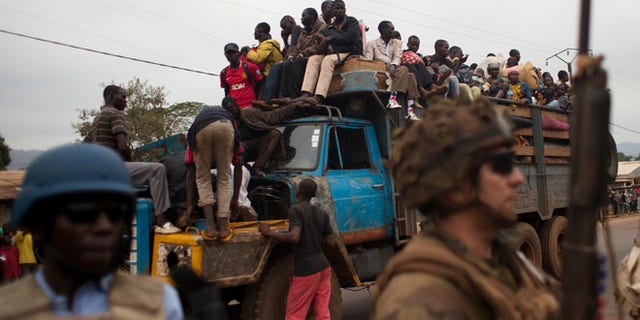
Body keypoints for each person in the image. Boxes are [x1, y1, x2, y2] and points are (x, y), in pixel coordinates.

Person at [372, 97, 559, 319]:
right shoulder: (417, 302)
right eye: (502, 165)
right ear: (453, 187)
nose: (518, 178)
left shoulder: (502, 257)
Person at [0, 143, 183, 319]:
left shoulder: (159, 302)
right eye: (83, 212)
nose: (104, 226)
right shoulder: (8, 310)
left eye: (115, 213)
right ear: (39, 225)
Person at [87, 85, 181, 234]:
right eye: (123, 97)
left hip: (99, 170)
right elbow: (123, 146)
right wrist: (127, 163)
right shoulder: (115, 114)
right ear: (111, 97)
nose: (126, 101)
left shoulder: (98, 117)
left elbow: (87, 144)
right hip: (113, 168)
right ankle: (162, 220)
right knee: (157, 169)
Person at [258, 178, 337, 320]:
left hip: (307, 269)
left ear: (297, 192)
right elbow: (331, 241)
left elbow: (295, 237)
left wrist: (269, 233)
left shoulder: (295, 210)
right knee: (322, 314)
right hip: (324, 267)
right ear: (313, 195)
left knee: (294, 315)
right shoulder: (322, 213)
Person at [186, 97, 243, 240]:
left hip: (201, 129)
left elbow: (191, 168)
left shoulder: (198, 120)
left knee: (203, 177)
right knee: (224, 177)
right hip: (225, 127)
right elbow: (238, 164)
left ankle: (210, 228)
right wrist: (235, 199)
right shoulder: (231, 121)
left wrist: (189, 204)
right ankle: (224, 228)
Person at [298, 0, 362, 105]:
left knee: (328, 60)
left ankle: (319, 96)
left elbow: (350, 38)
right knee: (313, 59)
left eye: (342, 8)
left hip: (348, 51)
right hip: (333, 52)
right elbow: (320, 35)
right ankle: (306, 93)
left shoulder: (352, 21)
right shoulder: (331, 26)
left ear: (345, 9)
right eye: (337, 9)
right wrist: (323, 37)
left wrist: (330, 38)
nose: (340, 11)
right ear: (333, 11)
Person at [364, 20, 422, 113]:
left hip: (395, 68)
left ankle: (410, 111)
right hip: (381, 68)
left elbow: (398, 57)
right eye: (391, 29)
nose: (393, 31)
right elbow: (368, 59)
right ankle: (392, 99)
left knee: (410, 75)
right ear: (384, 30)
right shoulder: (372, 43)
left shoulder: (397, 43)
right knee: (405, 69)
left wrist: (393, 65)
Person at [279, 7, 327, 99]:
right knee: (288, 63)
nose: (301, 19)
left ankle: (295, 95)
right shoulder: (304, 31)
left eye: (304, 16)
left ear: (312, 16)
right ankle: (285, 96)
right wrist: (291, 56)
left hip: (316, 55)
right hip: (303, 55)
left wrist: (304, 53)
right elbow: (298, 46)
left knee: (298, 62)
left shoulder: (322, 28)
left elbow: (319, 47)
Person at [221, 43, 264, 109]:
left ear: (238, 53)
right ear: (225, 55)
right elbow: (226, 91)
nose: (231, 55)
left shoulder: (250, 67)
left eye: (233, 52)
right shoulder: (224, 72)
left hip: (250, 106)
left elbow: (261, 84)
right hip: (234, 109)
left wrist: (259, 102)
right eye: (228, 53)